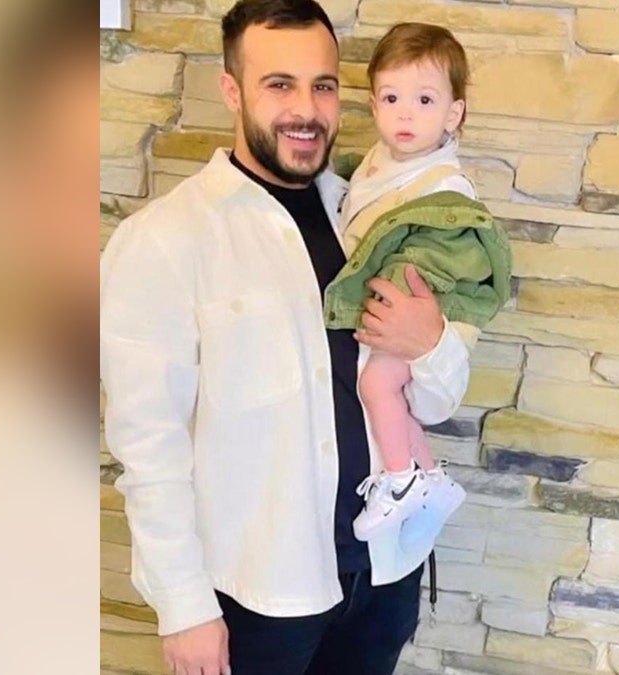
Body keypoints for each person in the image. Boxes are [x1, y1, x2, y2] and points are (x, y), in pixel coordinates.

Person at [98, 1, 472, 674]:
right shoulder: (164, 240)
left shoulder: (368, 215)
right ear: (233, 90)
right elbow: (148, 448)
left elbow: (437, 399)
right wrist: (184, 607)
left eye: (323, 85)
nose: (307, 108)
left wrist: (432, 341)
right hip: (261, 596)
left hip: (384, 573)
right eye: (280, 85)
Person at [328, 23, 511, 546]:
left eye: (425, 99)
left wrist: (404, 307)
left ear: (453, 113)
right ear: (373, 102)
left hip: (417, 305)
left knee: (378, 385)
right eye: (391, 97)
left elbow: (436, 256)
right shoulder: (379, 161)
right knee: (391, 398)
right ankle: (429, 476)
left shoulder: (444, 187)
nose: (405, 113)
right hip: (394, 308)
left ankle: (402, 479)